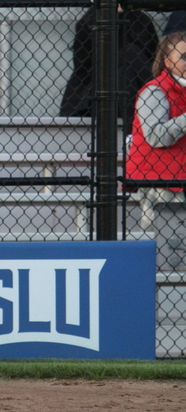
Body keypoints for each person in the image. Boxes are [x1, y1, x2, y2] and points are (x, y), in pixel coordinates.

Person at [126, 31, 186, 270]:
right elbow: (155, 136)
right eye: (184, 57)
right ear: (167, 61)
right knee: (166, 251)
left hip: (179, 179)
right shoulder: (154, 91)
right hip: (161, 182)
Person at [59, 6, 158, 136]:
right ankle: (158, 93)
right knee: (129, 55)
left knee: (127, 71)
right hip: (100, 93)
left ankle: (130, 136)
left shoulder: (142, 22)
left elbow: (152, 61)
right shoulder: (89, 22)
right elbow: (84, 68)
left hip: (137, 90)